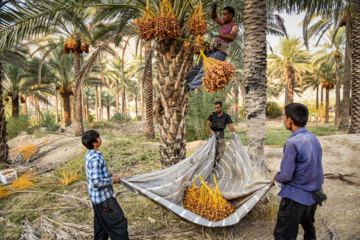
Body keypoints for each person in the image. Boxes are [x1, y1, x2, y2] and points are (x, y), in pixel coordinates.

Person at [271, 103, 324, 240]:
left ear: (289, 120)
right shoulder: (313, 138)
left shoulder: (293, 143)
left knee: (284, 235)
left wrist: (276, 177)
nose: (284, 120)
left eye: (284, 117)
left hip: (295, 200)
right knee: (309, 231)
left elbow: (286, 175)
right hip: (312, 198)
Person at [82, 130, 129, 240]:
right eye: (98, 137)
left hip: (97, 201)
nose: (100, 138)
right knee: (119, 226)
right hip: (105, 201)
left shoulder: (89, 154)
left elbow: (96, 176)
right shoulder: (96, 158)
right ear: (95, 142)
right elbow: (95, 182)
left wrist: (111, 177)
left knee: (101, 228)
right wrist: (112, 180)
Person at [185, 4, 239, 91]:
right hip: (213, 50)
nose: (223, 16)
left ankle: (190, 87)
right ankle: (186, 81)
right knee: (199, 66)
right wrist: (214, 9)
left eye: (225, 14)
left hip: (220, 53)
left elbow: (232, 37)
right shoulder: (224, 23)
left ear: (231, 15)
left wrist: (218, 34)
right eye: (223, 14)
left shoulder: (234, 26)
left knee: (205, 70)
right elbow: (214, 17)